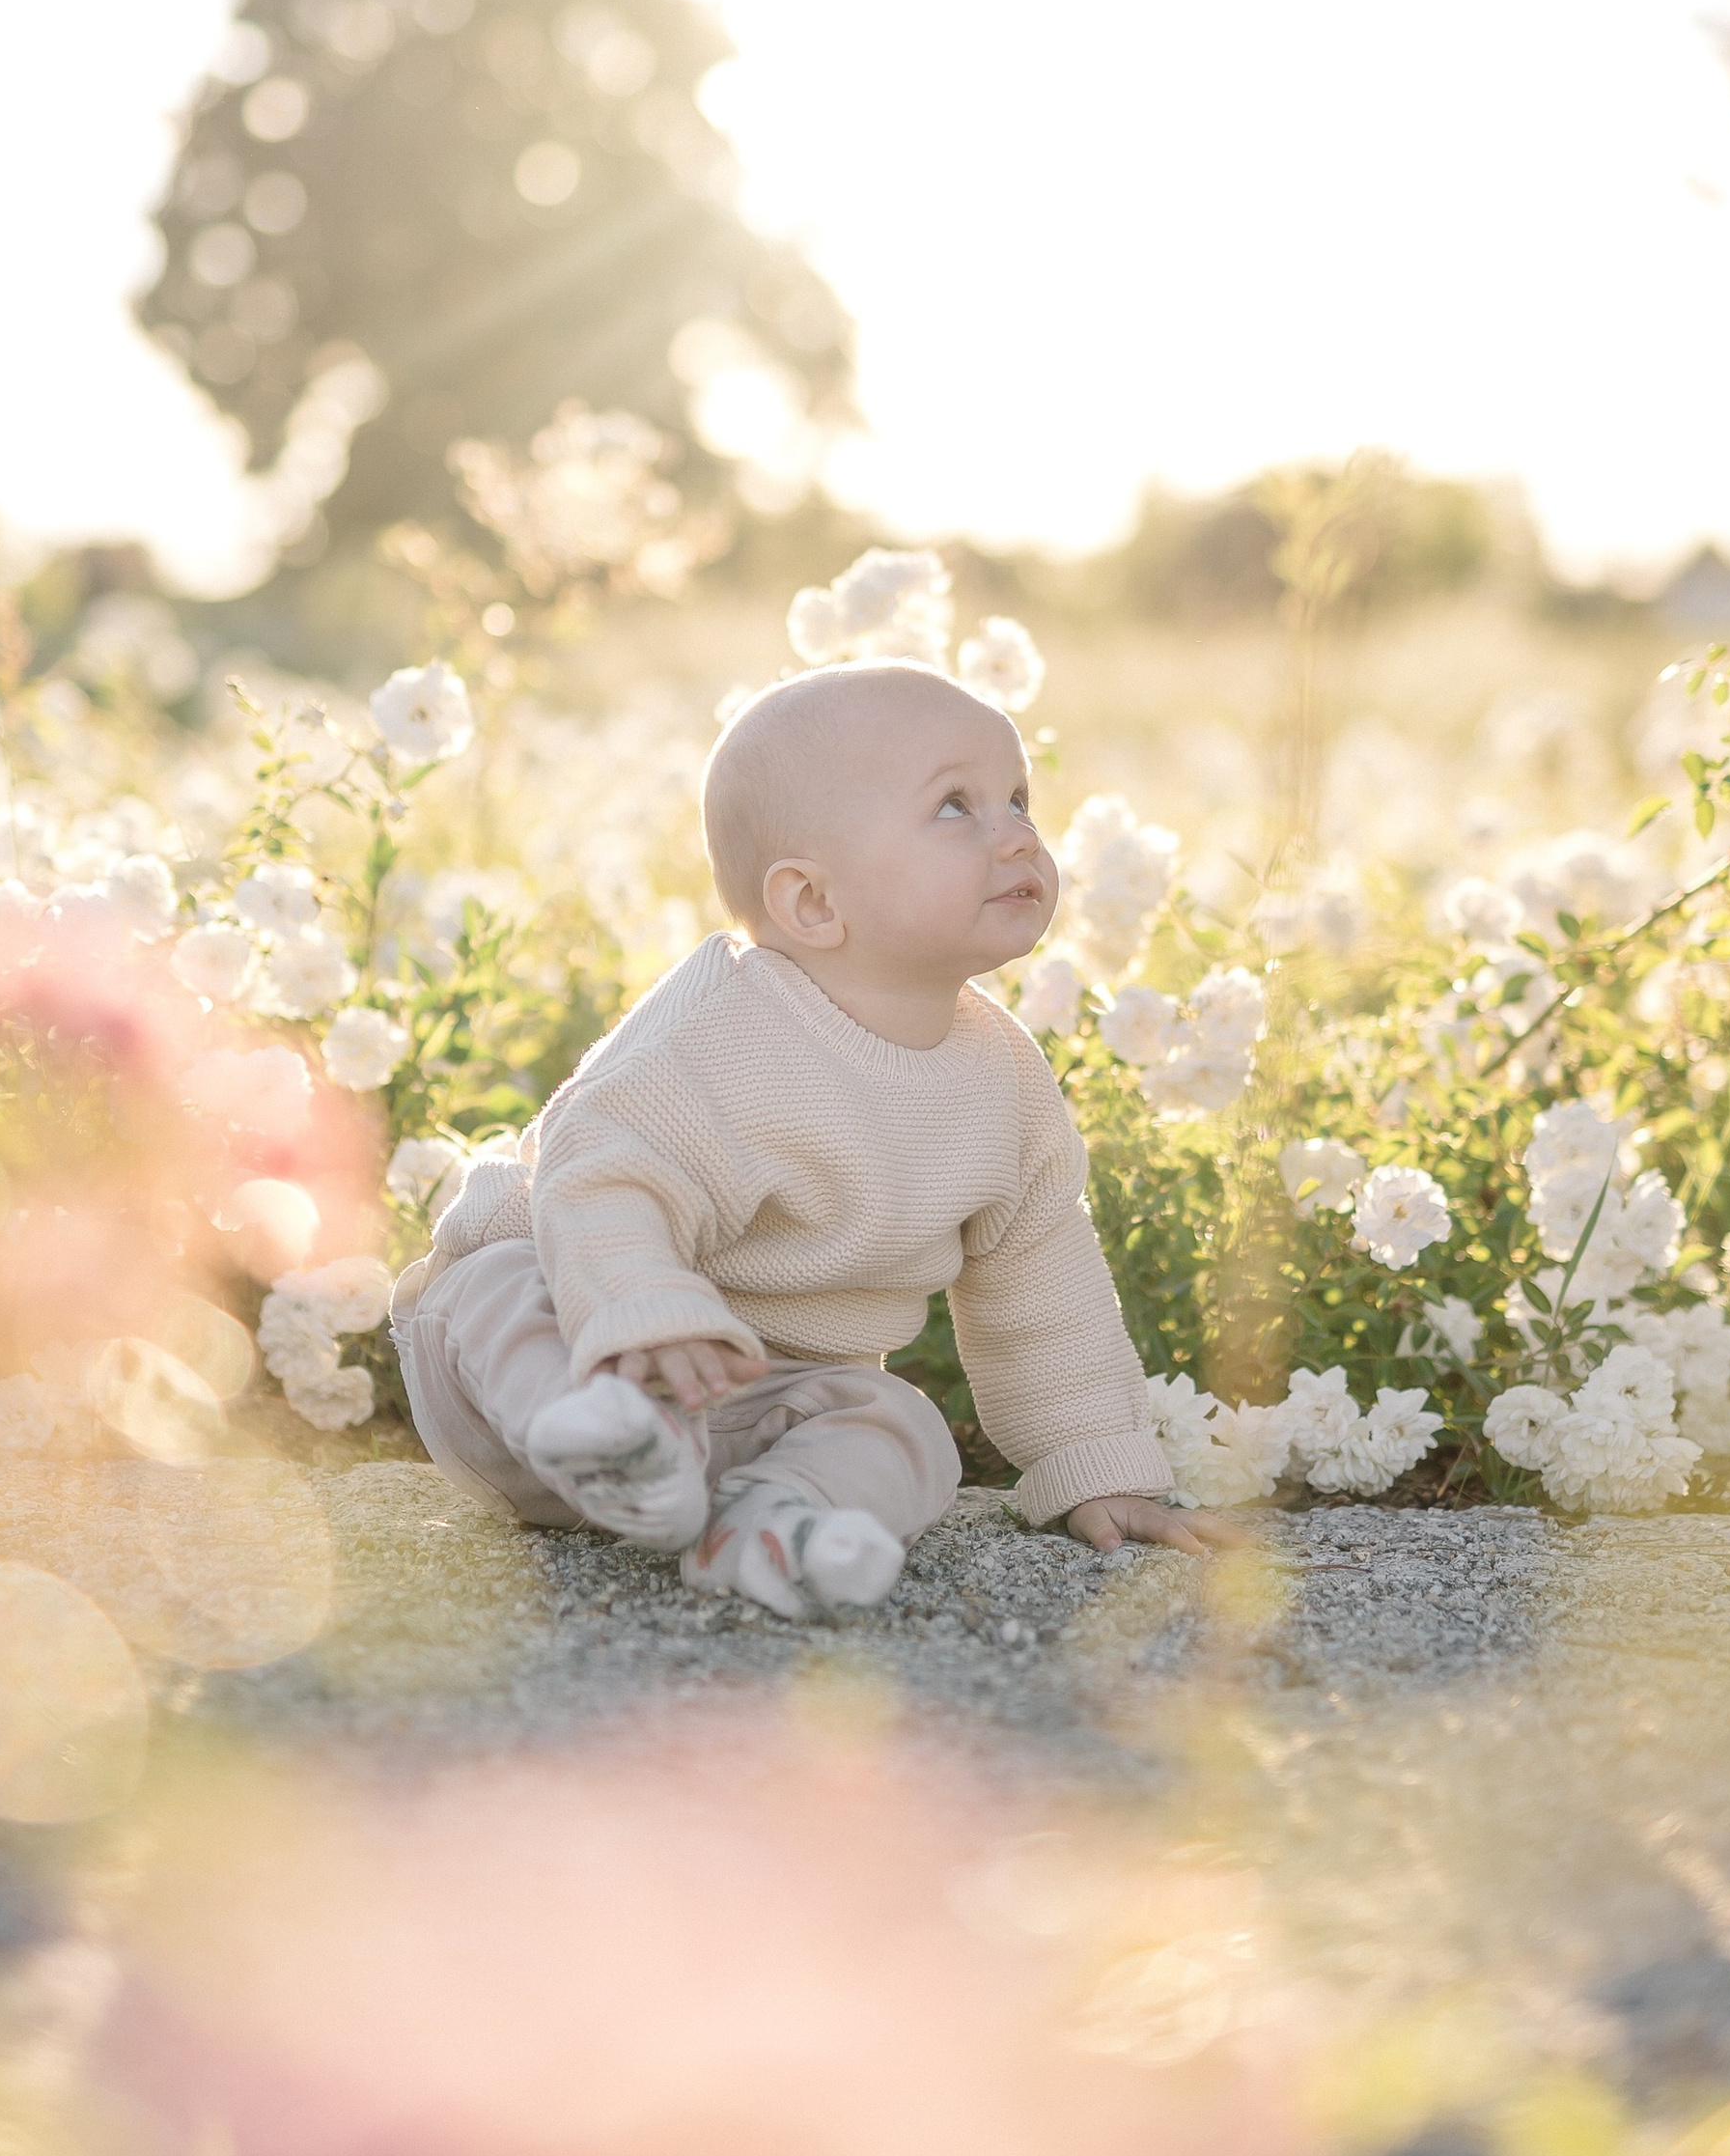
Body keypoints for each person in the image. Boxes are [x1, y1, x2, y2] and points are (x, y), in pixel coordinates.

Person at [390, 661, 1238, 1620]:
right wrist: (644, 1316)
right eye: (956, 808)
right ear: (812, 905)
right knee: (498, 1284)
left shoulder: (1001, 1078)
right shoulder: (723, 1031)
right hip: (544, 1366)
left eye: (1017, 798)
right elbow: (602, 1179)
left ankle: (769, 1525)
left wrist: (1093, 1462)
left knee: (904, 1428)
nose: (1016, 836)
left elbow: (1039, 1279)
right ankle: (611, 1439)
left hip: (754, 1399)